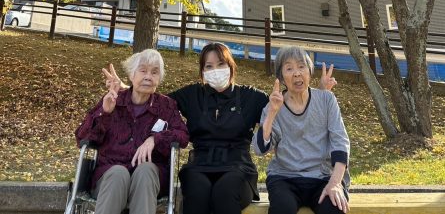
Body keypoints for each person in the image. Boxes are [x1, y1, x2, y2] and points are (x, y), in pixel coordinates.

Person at [104, 42, 337, 214]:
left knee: (224, 192)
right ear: (203, 72)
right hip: (200, 166)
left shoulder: (250, 97)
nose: (215, 69)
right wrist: (127, 86)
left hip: (238, 169)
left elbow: (284, 107)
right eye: (209, 66)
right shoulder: (192, 95)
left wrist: (321, 94)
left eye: (221, 64)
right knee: (197, 192)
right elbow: (157, 100)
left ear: (231, 66)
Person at [75, 49, 189, 214]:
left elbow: (183, 136)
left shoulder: (166, 106)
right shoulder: (113, 99)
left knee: (146, 170)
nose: (148, 76)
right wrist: (105, 113)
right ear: (131, 75)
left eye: (154, 72)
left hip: (148, 180)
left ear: (159, 78)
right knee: (118, 172)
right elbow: (82, 137)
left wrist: (155, 139)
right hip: (109, 176)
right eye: (143, 71)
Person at [252, 46, 350, 214]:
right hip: (285, 177)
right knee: (282, 209)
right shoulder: (274, 106)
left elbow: (340, 142)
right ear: (281, 77)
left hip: (323, 176)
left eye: (301, 66)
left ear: (310, 72)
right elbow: (260, 149)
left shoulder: (326, 99)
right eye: (289, 68)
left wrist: (334, 183)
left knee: (334, 208)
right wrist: (272, 113)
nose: (296, 73)